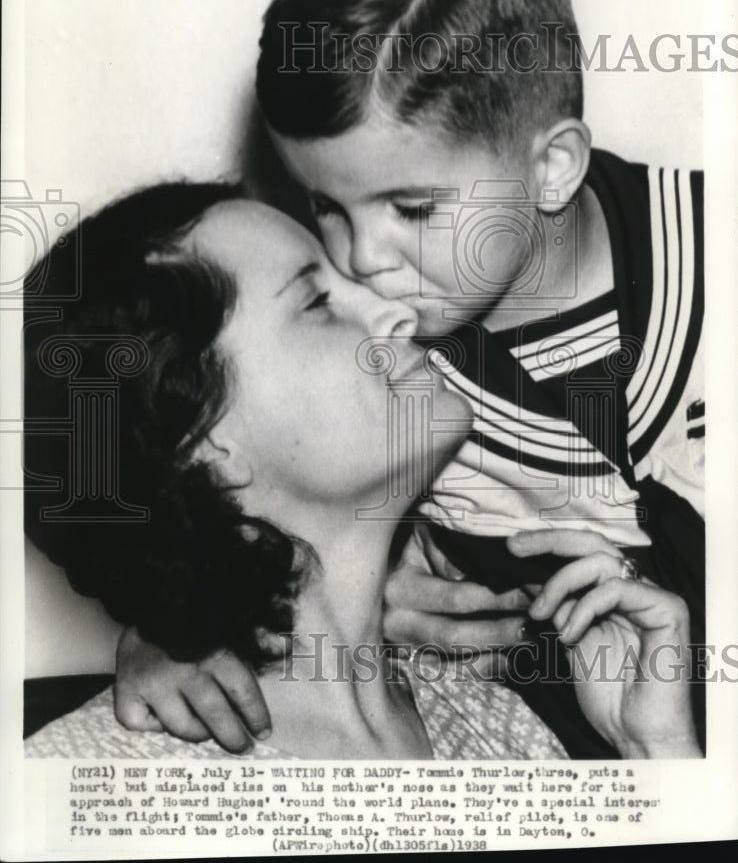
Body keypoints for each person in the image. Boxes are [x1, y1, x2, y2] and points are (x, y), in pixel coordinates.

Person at [114, 0, 704, 755]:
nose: (360, 261)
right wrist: (167, 633)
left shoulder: (707, 250)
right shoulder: (398, 383)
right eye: (324, 207)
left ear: (551, 168)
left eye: (413, 210)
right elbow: (214, 457)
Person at [25, 181, 700, 760]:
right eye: (316, 303)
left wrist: (658, 753)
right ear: (205, 445)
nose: (397, 310)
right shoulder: (92, 778)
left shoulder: (511, 717)